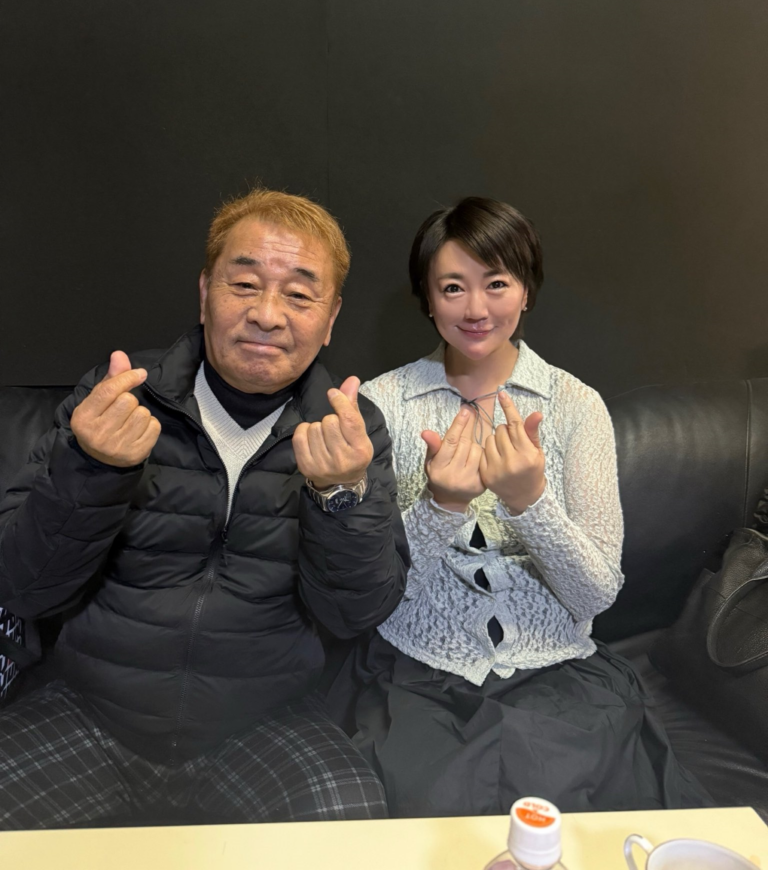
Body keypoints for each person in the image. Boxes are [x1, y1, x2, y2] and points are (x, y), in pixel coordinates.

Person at [0, 188, 409, 829]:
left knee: (346, 818)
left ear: (330, 319)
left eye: (299, 295)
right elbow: (23, 587)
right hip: (89, 709)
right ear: (204, 292)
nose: (267, 314)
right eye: (243, 284)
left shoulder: (350, 430)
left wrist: (337, 495)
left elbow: (354, 613)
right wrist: (92, 467)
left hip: (265, 724)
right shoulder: (116, 399)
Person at [328, 196, 710, 817]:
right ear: (428, 299)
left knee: (569, 814)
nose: (476, 309)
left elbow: (594, 596)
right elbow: (371, 590)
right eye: (453, 287)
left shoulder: (576, 406)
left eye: (497, 283)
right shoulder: (382, 403)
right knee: (431, 818)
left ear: (526, 290)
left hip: (555, 673)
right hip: (417, 672)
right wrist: (441, 506)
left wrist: (530, 502)